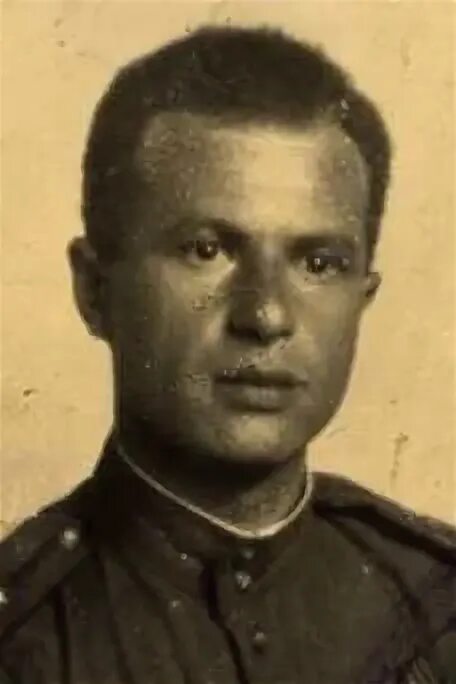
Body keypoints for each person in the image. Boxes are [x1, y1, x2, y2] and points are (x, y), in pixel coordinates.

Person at [0, 25, 454, 684]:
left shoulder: (436, 608)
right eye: (206, 250)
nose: (266, 316)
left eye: (318, 263)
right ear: (95, 291)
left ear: (363, 297)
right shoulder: (23, 635)